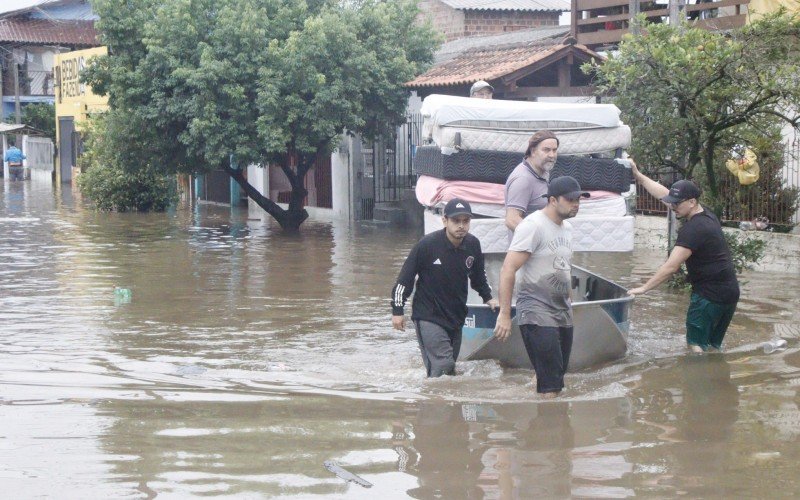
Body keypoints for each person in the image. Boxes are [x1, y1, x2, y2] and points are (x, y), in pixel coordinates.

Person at [627, 161, 739, 353]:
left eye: (677, 203)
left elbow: (671, 267)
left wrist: (644, 288)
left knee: (695, 345)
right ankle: (717, 379)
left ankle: (696, 380)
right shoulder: (707, 216)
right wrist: (638, 176)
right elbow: (663, 193)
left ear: (692, 202)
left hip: (708, 297)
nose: (672, 206)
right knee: (712, 346)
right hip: (730, 293)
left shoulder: (693, 229)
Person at [494, 176, 589, 397]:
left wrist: (569, 297)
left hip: (562, 310)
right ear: (553, 200)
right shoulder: (533, 226)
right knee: (552, 387)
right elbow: (508, 269)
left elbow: (563, 266)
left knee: (556, 376)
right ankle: (549, 427)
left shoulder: (568, 229)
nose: (576, 204)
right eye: (571, 199)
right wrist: (505, 314)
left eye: (579, 199)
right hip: (536, 310)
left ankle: (534, 403)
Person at [392, 198, 499, 377]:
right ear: (445, 220)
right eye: (456, 221)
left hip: (455, 317)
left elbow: (479, 276)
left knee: (447, 372)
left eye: (466, 221)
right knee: (444, 365)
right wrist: (397, 310)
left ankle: (437, 402)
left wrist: (488, 298)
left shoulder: (473, 245)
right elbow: (404, 280)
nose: (461, 226)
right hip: (428, 315)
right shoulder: (427, 245)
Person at [504, 130, 559, 232]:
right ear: (533, 151)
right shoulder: (523, 179)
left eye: (554, 150)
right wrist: (540, 237)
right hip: (528, 247)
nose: (552, 155)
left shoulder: (542, 171)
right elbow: (511, 220)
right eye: (546, 150)